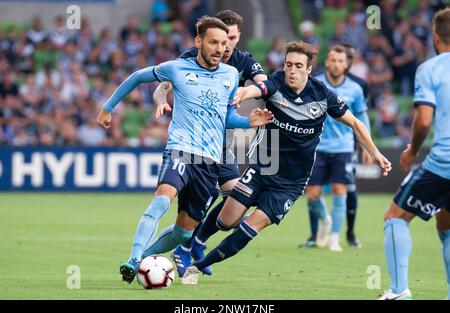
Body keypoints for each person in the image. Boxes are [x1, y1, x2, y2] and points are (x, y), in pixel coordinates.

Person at [180, 41, 391, 285]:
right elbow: (256, 90)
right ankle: (196, 242)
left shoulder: (322, 95)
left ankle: (195, 268)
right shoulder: (277, 82)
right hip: (263, 167)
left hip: (290, 183)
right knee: (226, 221)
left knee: (248, 229)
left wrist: (375, 152)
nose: (292, 70)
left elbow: (355, 123)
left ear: (309, 69)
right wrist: (240, 93)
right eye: (289, 64)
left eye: (298, 66)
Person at [96, 16, 272, 284]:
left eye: (224, 43)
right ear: (198, 41)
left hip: (210, 160)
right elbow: (137, 77)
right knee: (161, 200)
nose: (220, 49)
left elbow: (226, 119)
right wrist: (108, 107)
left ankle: (145, 257)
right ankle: (132, 260)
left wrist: (249, 121)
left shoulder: (231, 75)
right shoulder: (178, 68)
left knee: (182, 234)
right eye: (214, 42)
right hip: (181, 150)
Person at [151, 9, 267, 277]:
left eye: (233, 38)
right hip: (192, 141)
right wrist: (160, 102)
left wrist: (254, 92)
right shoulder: (192, 57)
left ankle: (195, 241)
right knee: (210, 197)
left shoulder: (243, 61)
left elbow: (265, 84)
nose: (226, 45)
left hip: (220, 144)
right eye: (222, 38)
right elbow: (161, 87)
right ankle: (187, 245)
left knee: (238, 202)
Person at [378, 8, 450, 300]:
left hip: (442, 163)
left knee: (395, 216)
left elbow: (423, 121)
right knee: (446, 224)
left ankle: (398, 290)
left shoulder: (430, 68)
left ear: (434, 37)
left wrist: (412, 150)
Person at [303, 44, 371, 250]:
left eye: (340, 61)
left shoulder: (355, 89)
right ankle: (327, 220)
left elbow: (362, 117)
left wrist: (367, 146)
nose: (336, 64)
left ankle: (334, 238)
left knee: (340, 191)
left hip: (343, 148)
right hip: (317, 148)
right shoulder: (315, 84)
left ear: (347, 64)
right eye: (332, 60)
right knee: (312, 194)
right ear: (326, 62)